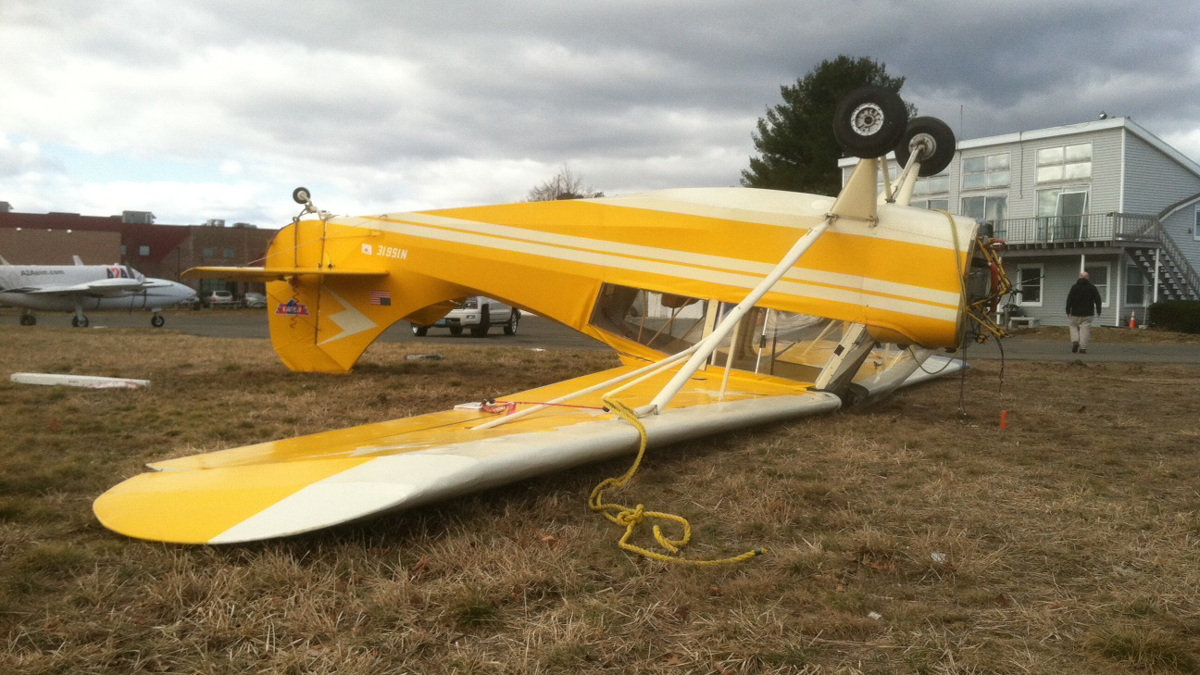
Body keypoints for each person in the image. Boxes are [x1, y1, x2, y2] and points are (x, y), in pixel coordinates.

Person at [1065, 271, 1103, 354]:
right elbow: (1098, 300)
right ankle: (1083, 348)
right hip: (1088, 313)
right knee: (1085, 330)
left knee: (1073, 325)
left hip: (1075, 312)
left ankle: (1075, 340)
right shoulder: (1092, 287)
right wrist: (1099, 310)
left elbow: (1069, 299)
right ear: (1088, 278)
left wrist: (1068, 310)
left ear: (1079, 277)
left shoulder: (1074, 287)